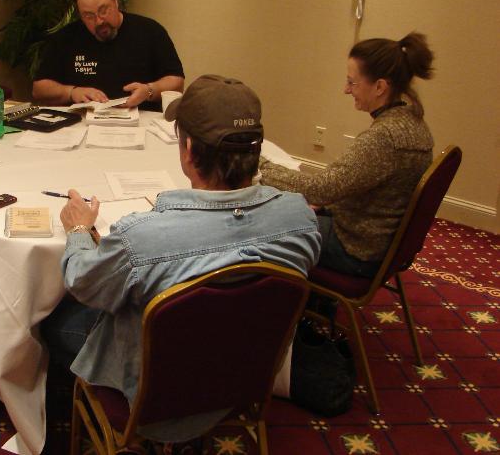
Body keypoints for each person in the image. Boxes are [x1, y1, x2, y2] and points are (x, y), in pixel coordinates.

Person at [41, 75, 320, 443]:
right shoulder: (300, 218)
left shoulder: (140, 237)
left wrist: (79, 230)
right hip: (242, 384)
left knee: (54, 322)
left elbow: (84, 284)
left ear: (188, 150)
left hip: (151, 403)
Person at [260, 32, 435, 279]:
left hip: (355, 249)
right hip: (377, 240)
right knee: (291, 207)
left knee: (259, 223)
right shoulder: (413, 123)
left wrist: (259, 166)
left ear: (380, 87)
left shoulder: (384, 138)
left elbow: (320, 189)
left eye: (352, 83)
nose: (346, 90)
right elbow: (346, 186)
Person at [32, 0, 185, 109]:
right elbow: (39, 89)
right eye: (89, 16)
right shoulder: (66, 38)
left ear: (115, 1)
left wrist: (149, 90)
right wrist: (71, 92)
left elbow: (176, 82)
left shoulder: (150, 31)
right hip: (82, 123)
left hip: (141, 120)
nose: (99, 21)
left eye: (104, 10)